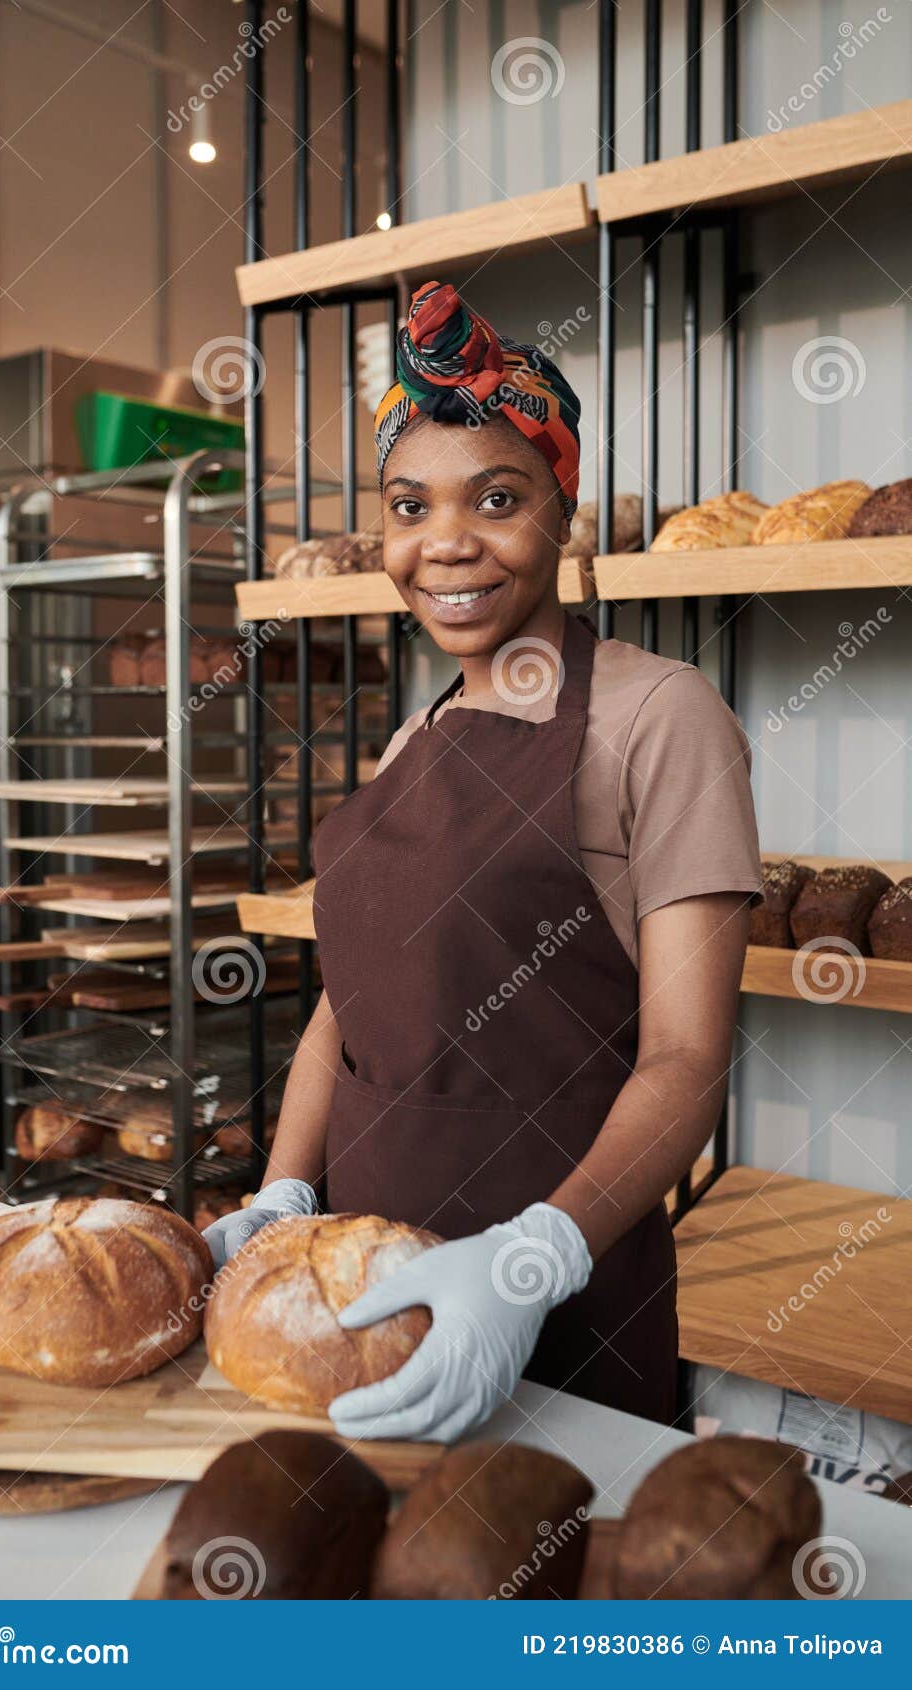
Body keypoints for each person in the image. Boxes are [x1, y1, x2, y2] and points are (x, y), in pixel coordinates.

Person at [203, 279, 762, 1442]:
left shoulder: (662, 716)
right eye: (409, 507)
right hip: (348, 1295)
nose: (443, 543)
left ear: (561, 510)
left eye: (495, 498)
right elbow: (341, 1013)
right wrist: (282, 1196)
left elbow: (686, 1057)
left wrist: (534, 1256)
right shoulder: (416, 735)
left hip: (555, 1299)